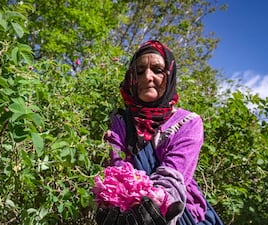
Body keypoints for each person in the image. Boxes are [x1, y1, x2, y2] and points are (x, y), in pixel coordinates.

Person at [95, 40, 224, 225]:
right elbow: (116, 172)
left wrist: (157, 204)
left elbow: (173, 176)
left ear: (169, 75)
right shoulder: (120, 122)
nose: (148, 76)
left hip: (178, 215)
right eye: (140, 71)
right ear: (132, 77)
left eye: (157, 70)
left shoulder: (187, 123)